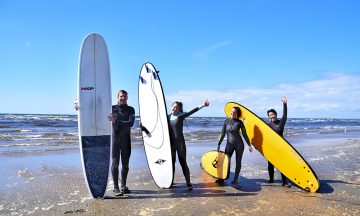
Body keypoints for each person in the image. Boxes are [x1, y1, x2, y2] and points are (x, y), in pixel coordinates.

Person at [168, 99, 209, 190]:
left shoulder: (181, 116)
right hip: (171, 144)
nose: (174, 108)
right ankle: (170, 181)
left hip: (180, 143)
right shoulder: (167, 117)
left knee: (183, 163)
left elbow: (191, 111)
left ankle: (188, 182)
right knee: (171, 163)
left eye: (176, 107)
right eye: (173, 107)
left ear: (179, 109)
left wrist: (203, 105)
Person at [108, 90, 135, 196]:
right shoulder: (112, 108)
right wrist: (79, 107)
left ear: (127, 98)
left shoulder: (130, 109)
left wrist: (116, 121)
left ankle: (123, 186)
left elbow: (131, 123)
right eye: (120, 96)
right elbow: (97, 110)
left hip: (126, 140)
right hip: (115, 140)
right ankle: (116, 188)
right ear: (117, 97)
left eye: (124, 96)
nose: (122, 98)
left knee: (126, 164)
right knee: (115, 163)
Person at [217, 106, 253, 185]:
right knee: (226, 161)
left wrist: (249, 145)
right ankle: (222, 177)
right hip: (229, 144)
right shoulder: (226, 121)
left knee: (238, 162)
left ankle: (235, 179)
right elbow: (222, 134)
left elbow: (244, 134)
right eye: (232, 111)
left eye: (235, 112)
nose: (233, 113)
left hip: (239, 144)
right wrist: (219, 143)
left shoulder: (239, 122)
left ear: (237, 113)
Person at [266, 96, 291, 187]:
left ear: (276, 114)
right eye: (270, 115)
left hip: (280, 146)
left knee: (282, 164)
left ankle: (284, 182)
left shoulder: (281, 122)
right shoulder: (267, 125)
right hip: (271, 146)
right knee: (270, 164)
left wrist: (284, 104)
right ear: (268, 116)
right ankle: (271, 179)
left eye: (273, 114)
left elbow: (285, 115)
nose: (271, 116)